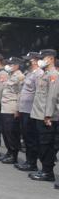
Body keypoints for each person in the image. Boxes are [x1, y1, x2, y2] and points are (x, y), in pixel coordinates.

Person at [30, 49, 59, 183]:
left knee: (46, 144)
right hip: (39, 114)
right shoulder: (45, 74)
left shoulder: (53, 74)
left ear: (51, 58)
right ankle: (44, 170)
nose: (41, 60)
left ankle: (48, 172)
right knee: (42, 143)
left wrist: (48, 115)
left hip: (46, 116)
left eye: (44, 57)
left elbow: (52, 97)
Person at [16, 52, 43, 172]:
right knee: (26, 137)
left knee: (31, 138)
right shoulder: (29, 73)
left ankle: (32, 163)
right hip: (24, 109)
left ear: (36, 60)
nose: (26, 62)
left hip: (31, 110)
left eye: (29, 60)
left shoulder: (39, 74)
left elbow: (39, 94)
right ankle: (28, 161)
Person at [0, 56, 25, 164]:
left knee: (11, 132)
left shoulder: (20, 76)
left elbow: (20, 94)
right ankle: (9, 152)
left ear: (17, 65)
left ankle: (14, 154)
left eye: (11, 64)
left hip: (12, 107)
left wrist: (17, 109)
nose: (9, 66)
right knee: (5, 131)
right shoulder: (10, 75)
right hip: (5, 106)